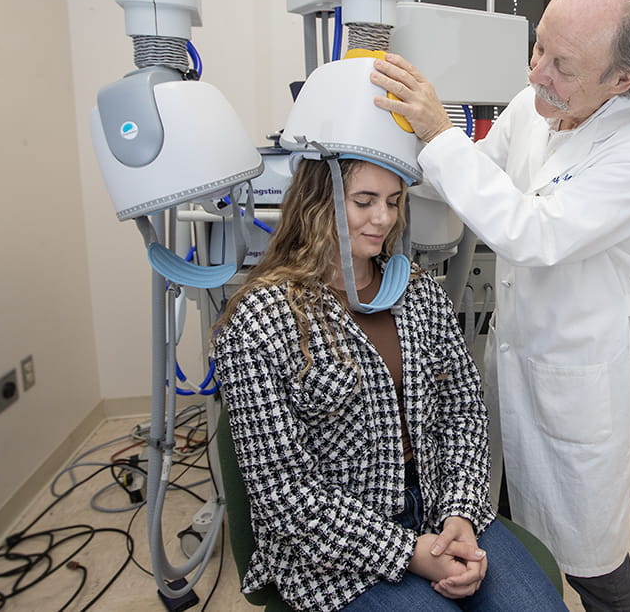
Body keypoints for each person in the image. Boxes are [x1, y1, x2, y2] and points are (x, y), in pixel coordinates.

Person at [370, 0, 630, 612]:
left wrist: (437, 132)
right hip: (516, 357)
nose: (538, 71)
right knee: (512, 519)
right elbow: (471, 177)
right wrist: (388, 163)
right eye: (538, 47)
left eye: (561, 64)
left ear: (621, 78)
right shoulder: (537, 105)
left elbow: (532, 232)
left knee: (594, 563)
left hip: (583, 380)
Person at [212, 156, 567, 611]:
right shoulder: (261, 320)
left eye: (393, 202)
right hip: (335, 544)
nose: (383, 218)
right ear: (315, 204)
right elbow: (284, 492)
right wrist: (409, 554)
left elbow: (464, 410)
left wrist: (460, 511)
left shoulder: (418, 293)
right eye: (364, 202)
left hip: (441, 501)